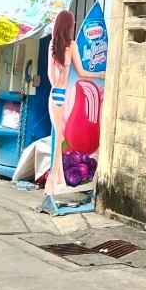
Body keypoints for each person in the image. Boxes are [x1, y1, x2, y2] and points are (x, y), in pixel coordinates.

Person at [44, 10, 103, 192]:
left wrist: (57, 84)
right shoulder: (73, 45)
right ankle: (55, 179)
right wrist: (100, 74)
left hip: (55, 93)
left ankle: (55, 179)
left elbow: (49, 73)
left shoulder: (53, 45)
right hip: (64, 93)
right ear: (70, 26)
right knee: (60, 137)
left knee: (58, 136)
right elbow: (83, 72)